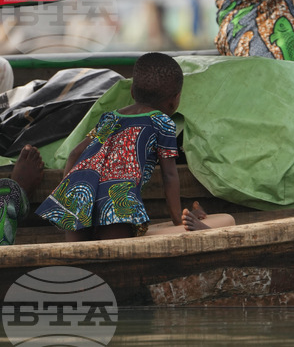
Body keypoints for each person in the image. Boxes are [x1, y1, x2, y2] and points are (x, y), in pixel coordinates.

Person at [35, 52, 184, 240]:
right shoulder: (162, 122)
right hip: (116, 201)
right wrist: (178, 219)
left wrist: (70, 199)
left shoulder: (111, 118)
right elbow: (169, 175)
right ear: (174, 100)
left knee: (77, 258)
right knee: (116, 257)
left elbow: (74, 154)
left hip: (79, 196)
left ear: (131, 92)